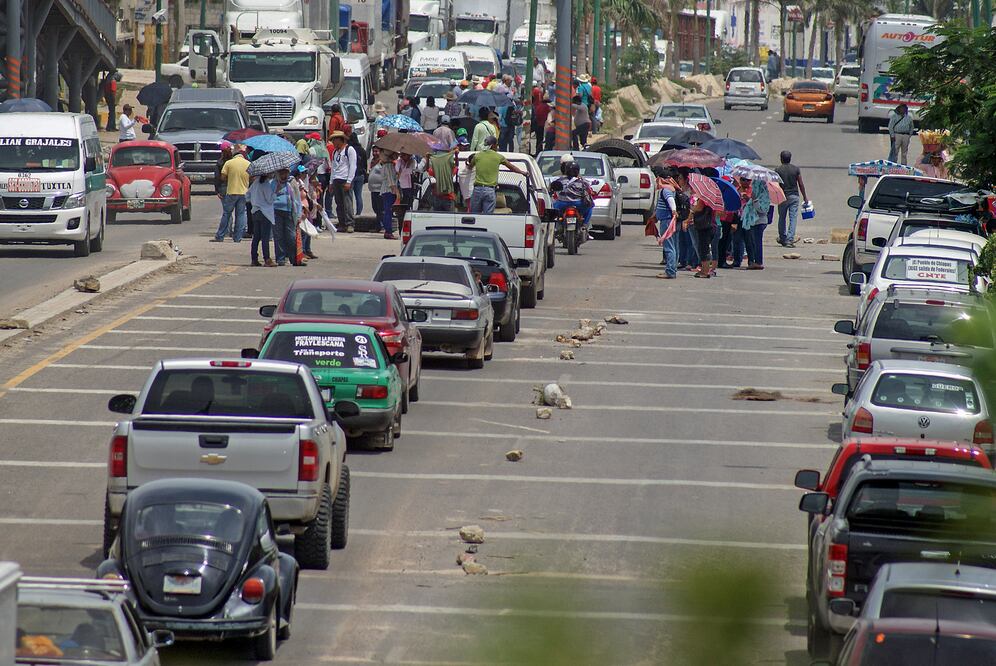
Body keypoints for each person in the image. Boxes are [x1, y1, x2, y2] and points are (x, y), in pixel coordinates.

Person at [468, 136, 527, 213]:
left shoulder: (477, 155)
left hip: (477, 190)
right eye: (497, 144)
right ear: (493, 145)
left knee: (474, 215)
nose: (498, 146)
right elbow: (512, 167)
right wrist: (522, 172)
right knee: (488, 216)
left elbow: (469, 167)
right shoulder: (498, 157)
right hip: (490, 190)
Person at [213, 146, 250, 242]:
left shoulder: (229, 163)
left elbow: (223, 177)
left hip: (231, 191)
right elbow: (252, 178)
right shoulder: (248, 164)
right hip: (243, 192)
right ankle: (238, 237)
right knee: (241, 215)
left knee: (227, 214)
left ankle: (220, 236)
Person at [774, 150, 807, 248]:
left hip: (782, 196)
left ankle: (782, 238)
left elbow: (775, 185)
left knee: (782, 218)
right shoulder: (795, 169)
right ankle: (789, 240)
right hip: (794, 196)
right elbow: (800, 184)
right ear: (790, 158)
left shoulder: (778, 170)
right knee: (793, 218)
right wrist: (805, 196)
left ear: (781, 158)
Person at [551, 159, 594, 233]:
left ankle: (557, 225)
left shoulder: (559, 180)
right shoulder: (582, 181)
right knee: (590, 207)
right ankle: (584, 225)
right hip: (578, 204)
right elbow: (588, 190)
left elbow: (552, 188)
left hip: (562, 204)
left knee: (553, 209)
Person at [271, 168, 302, 265]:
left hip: (289, 211)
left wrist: (299, 214)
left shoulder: (291, 183)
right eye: (281, 173)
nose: (283, 175)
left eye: (285, 172)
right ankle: (280, 258)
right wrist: (276, 190)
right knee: (278, 235)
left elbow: (297, 199)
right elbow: (269, 197)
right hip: (276, 211)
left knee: (291, 236)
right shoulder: (273, 183)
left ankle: (294, 259)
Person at [738, 177, 770, 269]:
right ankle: (755, 261)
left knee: (757, 242)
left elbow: (762, 210)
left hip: (760, 222)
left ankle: (758, 262)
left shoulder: (764, 196)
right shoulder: (756, 194)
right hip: (753, 222)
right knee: (753, 242)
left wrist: (755, 200)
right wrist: (749, 199)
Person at [329, 130, 356, 233]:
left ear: (341, 140)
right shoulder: (335, 152)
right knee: (339, 203)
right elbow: (333, 167)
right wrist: (331, 182)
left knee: (347, 203)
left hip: (345, 178)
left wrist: (349, 181)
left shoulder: (349, 150)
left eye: (335, 140)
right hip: (337, 178)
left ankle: (350, 223)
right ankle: (342, 223)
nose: (334, 143)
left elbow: (353, 166)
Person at [654, 169, 679, 279]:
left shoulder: (666, 190)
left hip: (667, 220)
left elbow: (670, 200)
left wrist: (674, 210)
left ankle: (670, 271)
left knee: (669, 247)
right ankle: (672, 269)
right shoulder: (670, 188)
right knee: (672, 246)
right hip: (667, 219)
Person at [248, 173, 276, 266]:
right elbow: (270, 199)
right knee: (265, 237)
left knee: (256, 237)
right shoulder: (266, 184)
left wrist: (254, 201)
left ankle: (254, 259)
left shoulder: (255, 183)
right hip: (264, 212)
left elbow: (247, 196)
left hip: (255, 211)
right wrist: (275, 192)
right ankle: (267, 258)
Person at [685, 195, 717, 278]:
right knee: (704, 248)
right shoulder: (713, 198)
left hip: (705, 226)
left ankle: (705, 271)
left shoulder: (705, 198)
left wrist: (693, 208)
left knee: (704, 249)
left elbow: (699, 208)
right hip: (710, 225)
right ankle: (704, 270)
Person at [377, 149, 401, 239]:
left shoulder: (385, 165)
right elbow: (391, 183)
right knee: (388, 211)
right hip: (389, 191)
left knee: (387, 211)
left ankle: (388, 230)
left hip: (385, 190)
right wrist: (397, 193)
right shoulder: (389, 166)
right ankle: (388, 231)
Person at [427, 147, 458, 211]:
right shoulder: (451, 171)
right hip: (444, 198)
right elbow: (456, 166)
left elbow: (427, 169)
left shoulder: (435, 170)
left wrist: (427, 159)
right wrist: (456, 155)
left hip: (444, 197)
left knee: (438, 219)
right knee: (448, 219)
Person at [348, 131, 367, 217]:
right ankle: (359, 212)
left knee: (350, 195)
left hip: (351, 175)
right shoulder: (362, 150)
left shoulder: (349, 149)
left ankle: (350, 212)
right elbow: (365, 164)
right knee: (358, 195)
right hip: (360, 174)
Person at [395, 152, 417, 228]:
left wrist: (404, 169)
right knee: (402, 206)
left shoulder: (413, 161)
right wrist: (404, 169)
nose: (404, 156)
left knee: (409, 205)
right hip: (401, 185)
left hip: (410, 186)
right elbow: (397, 170)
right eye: (402, 155)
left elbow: (411, 171)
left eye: (405, 155)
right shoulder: (399, 161)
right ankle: (401, 224)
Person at [531, 89, 550, 155]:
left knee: (539, 140)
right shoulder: (548, 107)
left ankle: (538, 151)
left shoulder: (539, 106)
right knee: (546, 140)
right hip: (544, 126)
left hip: (538, 125)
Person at [368, 146, 384, 224]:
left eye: (376, 151)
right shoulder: (372, 161)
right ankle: (378, 225)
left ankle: (381, 225)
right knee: (375, 208)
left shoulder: (382, 161)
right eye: (373, 151)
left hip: (380, 189)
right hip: (373, 189)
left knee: (380, 209)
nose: (375, 153)